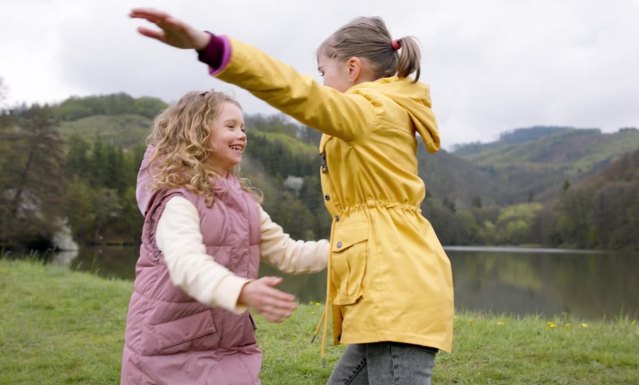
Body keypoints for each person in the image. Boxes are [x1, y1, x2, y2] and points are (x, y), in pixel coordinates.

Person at [130, 8, 454, 384]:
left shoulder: (371, 111)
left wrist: (211, 47)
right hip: (383, 284)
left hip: (395, 287)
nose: (321, 84)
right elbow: (287, 251)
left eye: (323, 73)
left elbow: (294, 92)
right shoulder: (377, 113)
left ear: (352, 69)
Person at [121, 90, 329, 385]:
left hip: (227, 345)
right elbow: (187, 266)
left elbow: (288, 252)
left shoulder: (244, 203)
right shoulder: (176, 201)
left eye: (243, 128)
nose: (241, 135)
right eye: (230, 126)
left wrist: (346, 250)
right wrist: (241, 291)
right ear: (197, 131)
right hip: (168, 351)